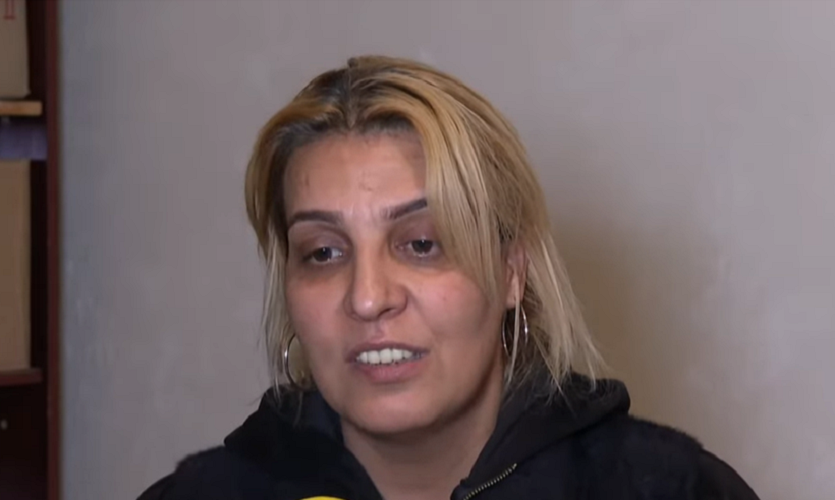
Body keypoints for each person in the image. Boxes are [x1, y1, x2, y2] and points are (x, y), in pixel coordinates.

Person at [138, 55, 759, 500]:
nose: (368, 298)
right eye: (323, 253)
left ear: (512, 271)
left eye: (422, 244)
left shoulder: (673, 488)